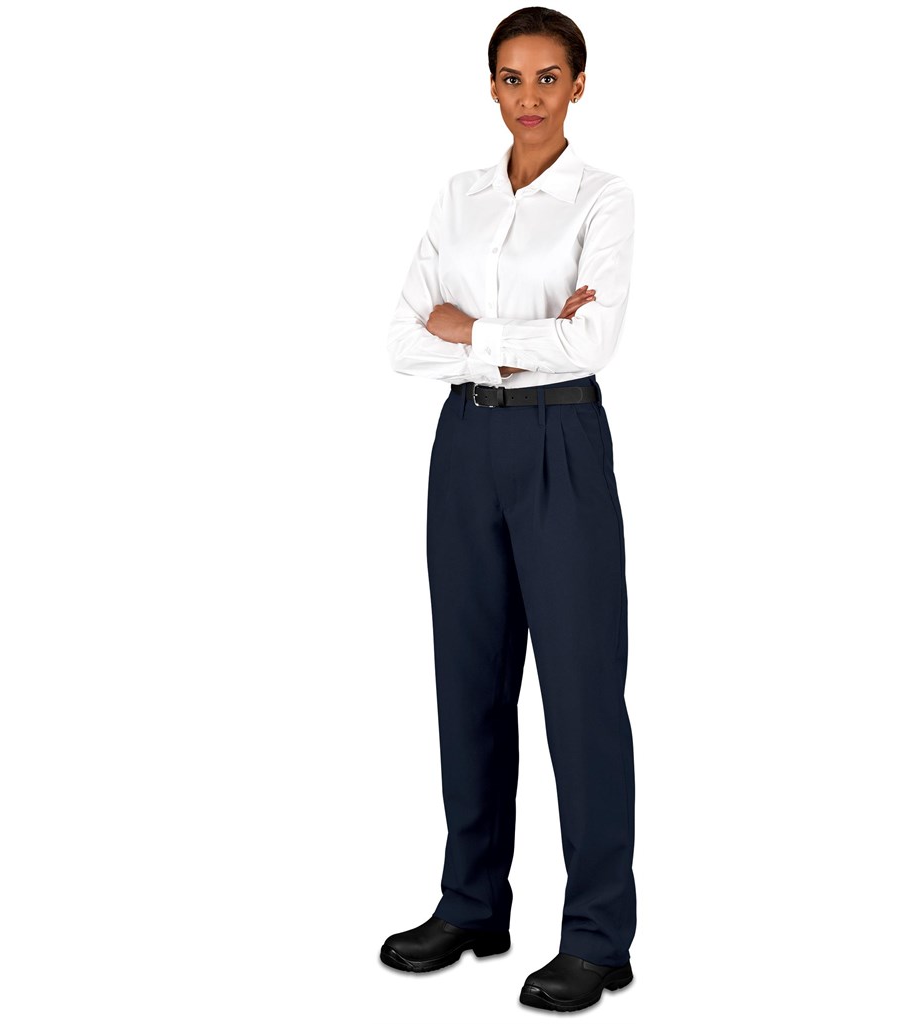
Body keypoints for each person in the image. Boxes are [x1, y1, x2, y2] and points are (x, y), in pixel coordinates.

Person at [379, 8, 637, 1013]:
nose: (528, 96)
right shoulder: (460, 196)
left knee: (581, 693)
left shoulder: (603, 199)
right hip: (464, 445)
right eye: (511, 78)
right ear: (491, 87)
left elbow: (590, 345)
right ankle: (472, 903)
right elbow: (403, 340)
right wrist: (521, 334)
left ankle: (598, 936)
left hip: (560, 444)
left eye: (548, 77)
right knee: (469, 685)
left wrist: (470, 329)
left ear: (578, 84)